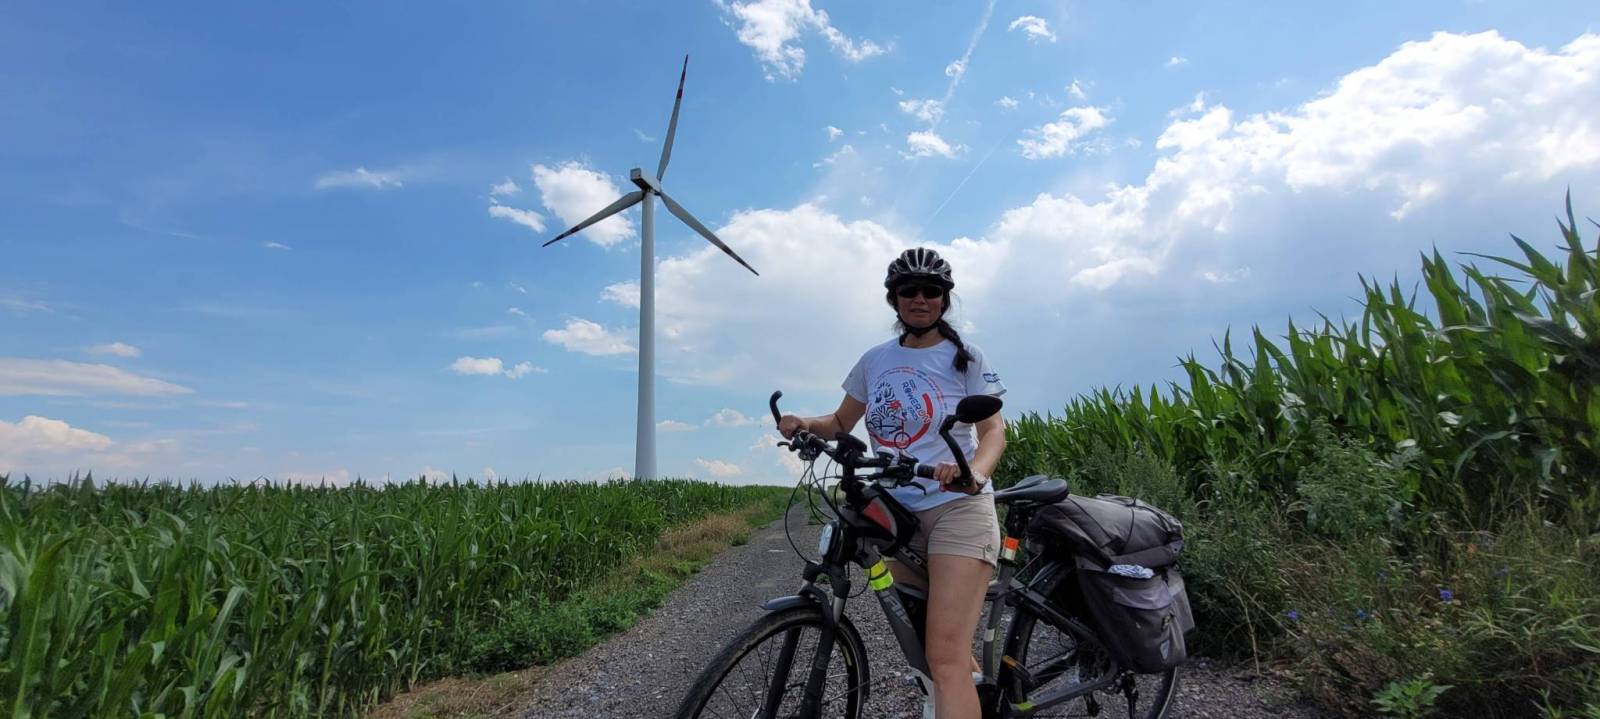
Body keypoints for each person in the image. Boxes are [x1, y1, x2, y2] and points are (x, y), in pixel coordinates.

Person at [778, 247, 1006, 719]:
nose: (920, 299)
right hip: (896, 519)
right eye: (909, 290)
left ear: (944, 299)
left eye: (931, 291)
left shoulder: (966, 357)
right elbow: (840, 422)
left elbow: (993, 431)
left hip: (956, 508)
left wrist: (975, 472)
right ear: (894, 299)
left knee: (944, 657)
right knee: (924, 646)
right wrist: (805, 423)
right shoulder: (875, 359)